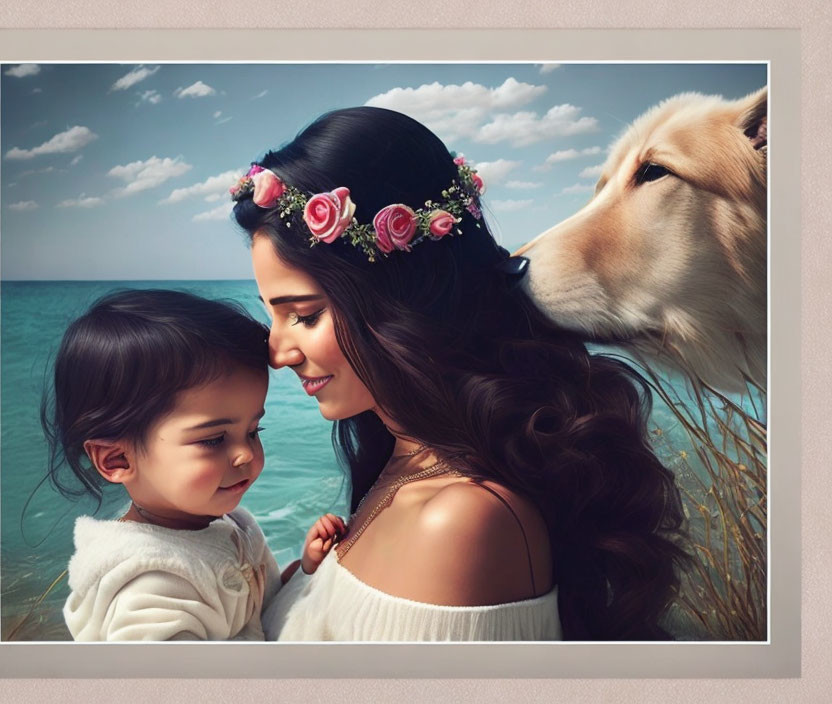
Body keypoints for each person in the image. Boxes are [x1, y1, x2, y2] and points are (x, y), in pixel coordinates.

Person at [232, 106, 689, 641]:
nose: (277, 351)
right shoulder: (401, 460)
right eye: (272, 313)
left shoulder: (461, 523)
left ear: (401, 299)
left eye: (305, 315)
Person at [42, 289, 334, 641]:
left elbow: (257, 611)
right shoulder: (148, 588)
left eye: (254, 430)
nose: (245, 454)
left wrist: (301, 573)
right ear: (117, 459)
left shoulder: (222, 522)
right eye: (213, 439)